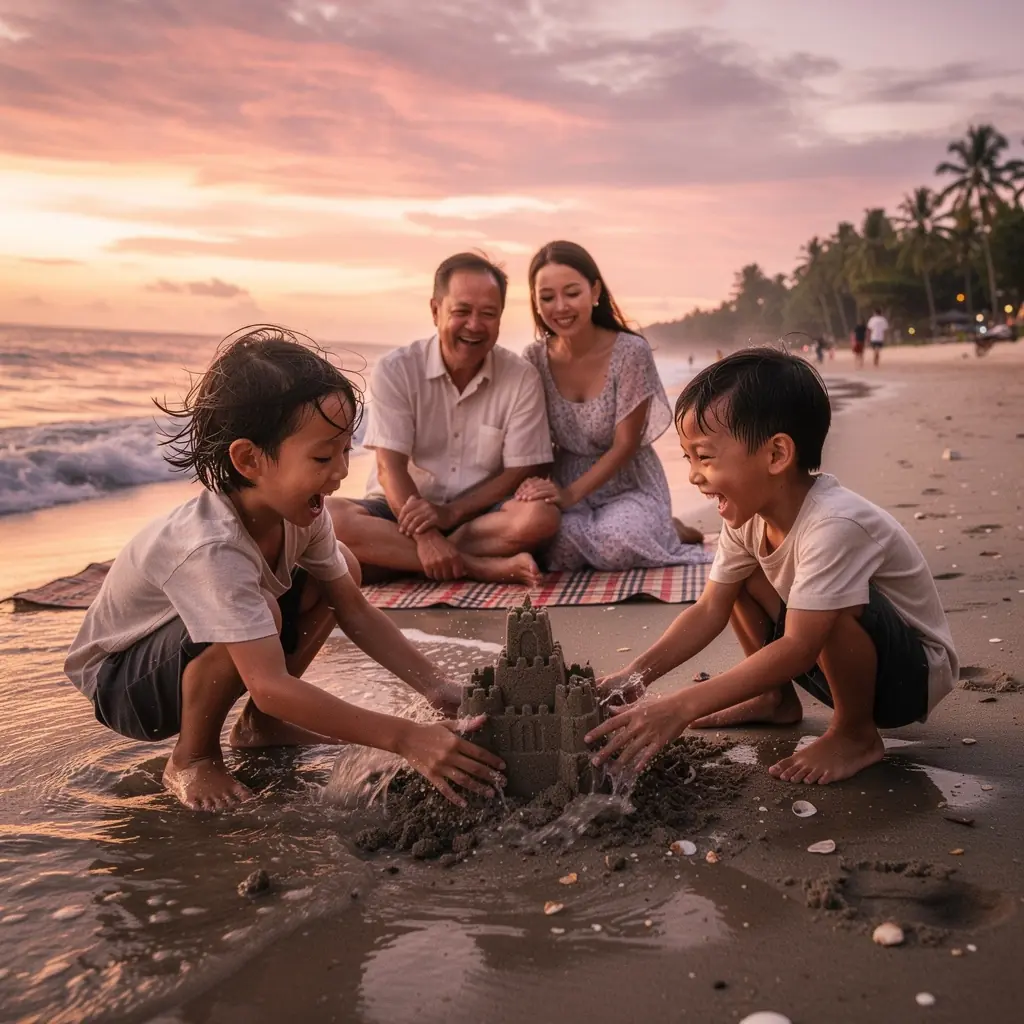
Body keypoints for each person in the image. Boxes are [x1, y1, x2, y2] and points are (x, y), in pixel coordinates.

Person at [64, 328, 505, 812]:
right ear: (250, 459)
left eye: (344, 450)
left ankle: (259, 728)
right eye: (321, 456)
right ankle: (192, 757)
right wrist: (405, 738)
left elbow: (353, 609)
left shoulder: (303, 512)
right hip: (124, 684)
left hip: (187, 655)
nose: (340, 470)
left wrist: (436, 687)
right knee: (263, 619)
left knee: (343, 572)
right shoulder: (211, 546)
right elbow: (270, 685)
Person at [587, 348, 957, 786]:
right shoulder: (749, 515)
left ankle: (855, 733)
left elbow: (800, 645)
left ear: (777, 454)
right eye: (688, 458)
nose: (693, 475)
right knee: (738, 577)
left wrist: (682, 705)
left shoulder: (834, 523)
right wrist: (638, 674)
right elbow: (710, 610)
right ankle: (774, 699)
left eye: (705, 457)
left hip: (907, 679)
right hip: (838, 656)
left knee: (833, 604)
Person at [329, 253, 559, 587]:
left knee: (541, 517)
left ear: (500, 317)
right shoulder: (398, 369)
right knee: (330, 519)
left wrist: (450, 514)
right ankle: (477, 567)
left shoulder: (521, 376)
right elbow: (388, 467)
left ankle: (398, 558)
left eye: (488, 314)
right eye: (462, 311)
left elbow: (519, 469)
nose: (474, 325)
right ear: (436, 310)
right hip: (401, 511)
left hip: (480, 518)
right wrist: (425, 537)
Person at [515, 240, 708, 570]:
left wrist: (569, 496)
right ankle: (659, 531)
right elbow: (534, 437)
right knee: (557, 551)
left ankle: (666, 529)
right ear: (535, 302)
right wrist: (538, 487)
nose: (560, 306)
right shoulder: (534, 358)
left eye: (572, 293)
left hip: (627, 481)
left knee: (618, 545)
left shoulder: (630, 352)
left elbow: (626, 445)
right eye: (547, 297)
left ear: (594, 292)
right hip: (565, 476)